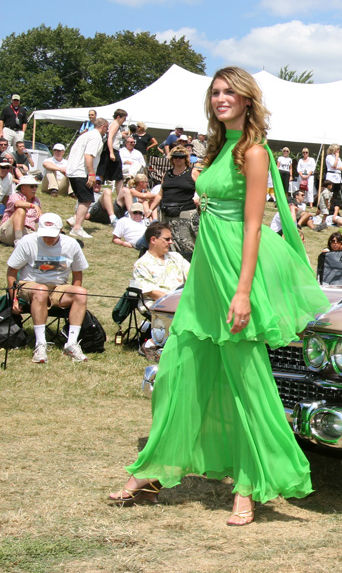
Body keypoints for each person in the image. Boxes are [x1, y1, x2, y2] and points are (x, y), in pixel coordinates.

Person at [109, 67, 329, 526]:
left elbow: (252, 224)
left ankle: (249, 487)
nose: (221, 98)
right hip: (206, 273)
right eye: (215, 92)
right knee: (175, 371)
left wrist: (244, 291)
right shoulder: (217, 147)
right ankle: (151, 472)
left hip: (235, 270)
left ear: (248, 100)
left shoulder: (253, 151)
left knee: (246, 381)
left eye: (230, 92)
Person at [6, 212, 91, 363]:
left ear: (60, 231)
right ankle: (40, 345)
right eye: (45, 235)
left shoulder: (71, 245)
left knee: (81, 293)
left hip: (59, 287)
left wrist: (73, 297)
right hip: (30, 285)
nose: (48, 239)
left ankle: (71, 344)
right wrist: (14, 299)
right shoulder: (27, 242)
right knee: (41, 290)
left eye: (52, 235)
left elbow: (77, 276)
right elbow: (12, 272)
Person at [151, 145, 198, 259]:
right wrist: (150, 209)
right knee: (169, 243)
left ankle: (189, 270)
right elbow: (160, 194)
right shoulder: (167, 174)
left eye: (181, 157)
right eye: (175, 156)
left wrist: (198, 197)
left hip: (186, 214)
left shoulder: (193, 172)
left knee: (186, 244)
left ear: (185, 158)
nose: (178, 159)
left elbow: (201, 190)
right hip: (167, 214)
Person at [66, 117, 110, 239]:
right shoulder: (96, 138)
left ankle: (74, 219)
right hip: (82, 171)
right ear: (103, 127)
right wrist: (91, 174)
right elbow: (88, 156)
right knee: (87, 199)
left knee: (83, 199)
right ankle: (77, 228)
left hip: (73, 170)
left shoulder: (84, 135)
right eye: (106, 128)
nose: (106, 131)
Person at [132, 222, 190, 304]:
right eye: (167, 239)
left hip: (183, 303)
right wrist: (178, 303)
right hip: (159, 307)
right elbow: (152, 293)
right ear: (153, 240)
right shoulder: (141, 265)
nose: (171, 242)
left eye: (171, 239)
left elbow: (193, 276)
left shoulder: (176, 257)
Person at [0, 175, 42, 246]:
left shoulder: (37, 201)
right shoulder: (15, 196)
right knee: (21, 210)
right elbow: (17, 204)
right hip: (8, 232)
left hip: (27, 231)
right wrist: (33, 205)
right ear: (22, 188)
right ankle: (18, 240)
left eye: (36, 186)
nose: (34, 188)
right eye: (32, 186)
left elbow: (39, 218)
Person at [97, 108, 128, 198]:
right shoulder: (115, 124)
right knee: (118, 175)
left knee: (103, 172)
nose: (124, 121)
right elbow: (110, 138)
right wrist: (111, 152)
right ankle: (120, 195)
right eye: (123, 118)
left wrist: (121, 135)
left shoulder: (111, 124)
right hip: (112, 150)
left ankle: (96, 189)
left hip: (109, 150)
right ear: (118, 117)